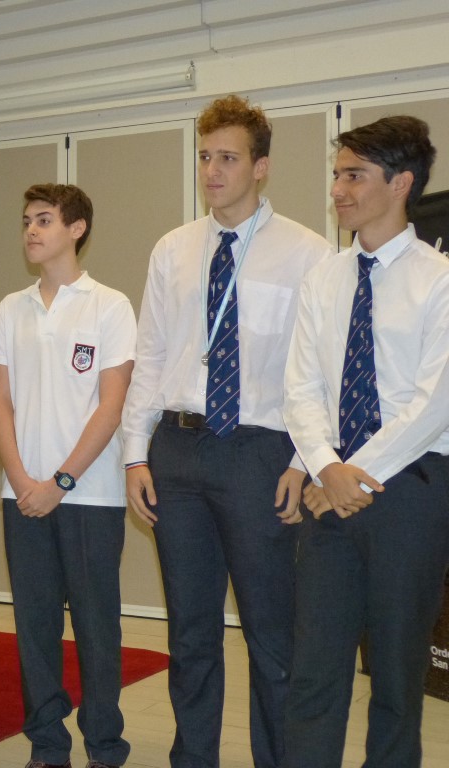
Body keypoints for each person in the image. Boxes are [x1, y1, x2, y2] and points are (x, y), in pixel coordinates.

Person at [121, 95, 333, 768]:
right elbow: (151, 355)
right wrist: (135, 454)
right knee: (190, 634)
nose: (212, 171)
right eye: (205, 157)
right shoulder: (174, 249)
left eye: (228, 158)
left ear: (261, 167)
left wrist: (302, 461)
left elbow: (319, 370)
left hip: (259, 454)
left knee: (272, 636)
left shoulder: (308, 252)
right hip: (177, 448)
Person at [282, 116, 449, 768]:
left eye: (354, 175)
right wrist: (327, 468)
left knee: (398, 677)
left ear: (401, 182)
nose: (338, 189)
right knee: (314, 670)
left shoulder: (439, 279)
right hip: (329, 489)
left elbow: (434, 403)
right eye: (337, 174)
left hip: (411, 490)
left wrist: (351, 473)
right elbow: (301, 388)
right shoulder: (324, 278)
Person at [0, 184, 136, 768]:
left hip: (89, 496)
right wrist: (21, 478)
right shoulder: (11, 307)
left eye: (45, 220)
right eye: (27, 219)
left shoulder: (110, 305)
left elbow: (111, 406)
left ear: (76, 229)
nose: (31, 229)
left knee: (97, 628)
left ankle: (105, 746)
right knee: (35, 627)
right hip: (22, 494)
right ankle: (47, 747)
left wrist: (61, 483)